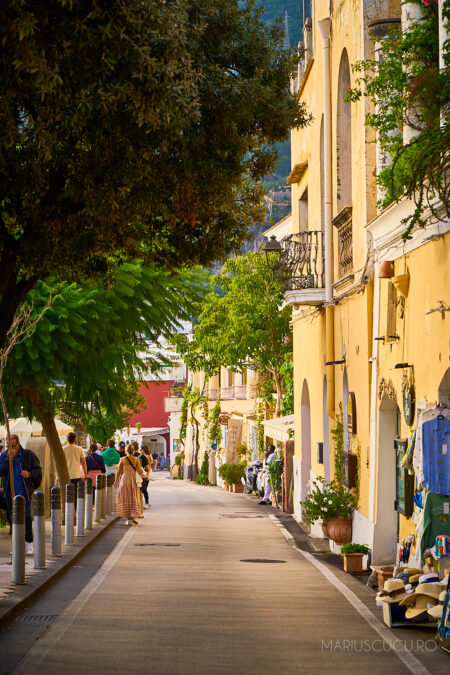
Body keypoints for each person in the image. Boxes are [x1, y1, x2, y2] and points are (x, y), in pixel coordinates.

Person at [0, 434, 42, 555]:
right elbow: (1, 471)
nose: (10, 448)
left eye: (12, 445)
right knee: (13, 520)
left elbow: (38, 470)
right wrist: (8, 460)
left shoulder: (28, 455)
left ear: (18, 443)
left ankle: (29, 543)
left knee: (27, 517)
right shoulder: (4, 456)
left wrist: (29, 474)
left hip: (24, 493)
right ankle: (17, 545)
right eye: (8, 445)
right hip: (10, 493)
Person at [114, 443, 145, 526]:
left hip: (124, 480)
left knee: (126, 498)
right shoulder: (136, 459)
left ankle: (128, 518)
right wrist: (144, 475)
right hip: (133, 480)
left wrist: (116, 480)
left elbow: (119, 471)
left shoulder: (122, 459)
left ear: (126, 451)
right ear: (133, 451)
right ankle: (134, 516)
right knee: (134, 497)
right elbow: (139, 471)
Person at [62, 432, 87, 505]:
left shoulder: (63, 449)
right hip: (76, 475)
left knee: (67, 496)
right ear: (75, 439)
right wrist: (85, 474)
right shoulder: (79, 449)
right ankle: (74, 512)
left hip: (66, 476)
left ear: (67, 439)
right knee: (76, 496)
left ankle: (68, 513)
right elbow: (83, 462)